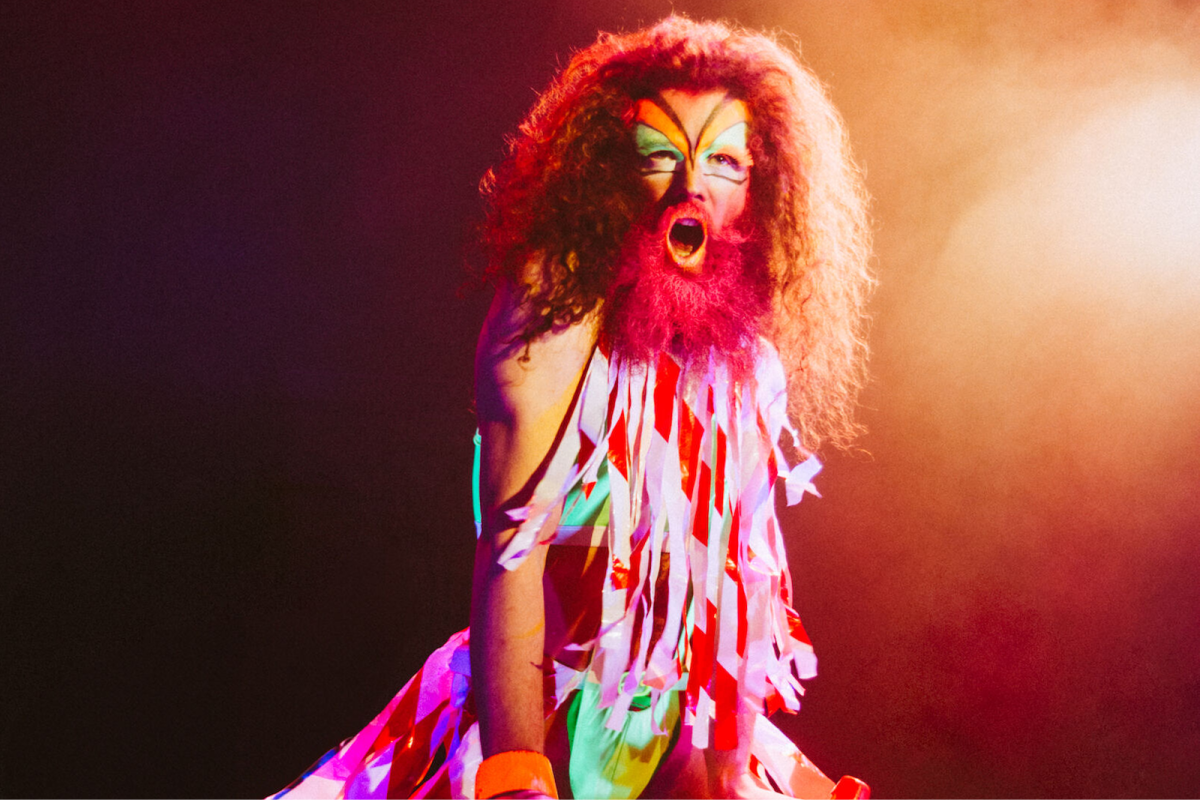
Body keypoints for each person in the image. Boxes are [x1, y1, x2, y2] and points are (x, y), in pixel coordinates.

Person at [267, 16, 873, 800]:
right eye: (661, 156)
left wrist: (726, 768)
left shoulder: (748, 359)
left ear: (759, 190)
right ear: (611, 172)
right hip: (542, 713)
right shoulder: (553, 309)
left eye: (724, 161)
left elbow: (738, 581)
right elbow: (510, 549)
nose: (692, 184)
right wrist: (519, 772)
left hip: (676, 736)